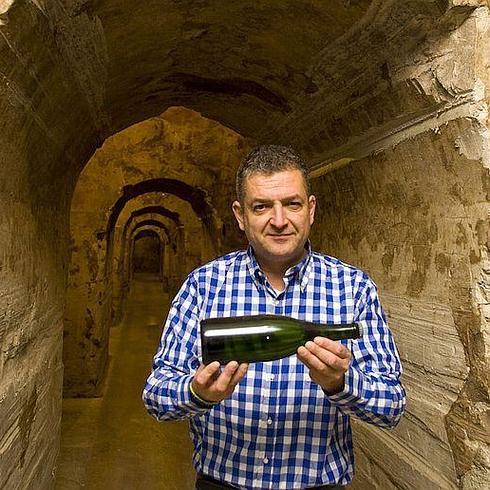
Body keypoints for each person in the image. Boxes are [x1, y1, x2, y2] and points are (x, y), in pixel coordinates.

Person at [142, 145, 406, 490]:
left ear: (310, 209)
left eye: (292, 204)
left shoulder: (353, 288)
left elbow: (392, 406)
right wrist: (197, 392)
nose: (279, 221)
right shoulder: (203, 285)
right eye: (262, 206)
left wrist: (340, 384)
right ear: (240, 215)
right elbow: (156, 396)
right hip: (222, 483)